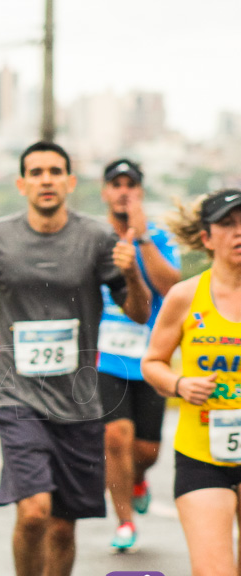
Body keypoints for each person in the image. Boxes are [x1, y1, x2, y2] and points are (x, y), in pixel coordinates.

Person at [0, 141, 150, 576]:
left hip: (80, 399)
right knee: (33, 510)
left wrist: (129, 273)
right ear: (21, 184)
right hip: (17, 393)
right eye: (35, 172)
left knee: (63, 526)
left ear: (69, 182)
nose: (45, 179)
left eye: (55, 171)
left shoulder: (97, 239)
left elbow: (141, 312)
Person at [141, 189, 241, 576]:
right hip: (204, 452)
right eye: (228, 223)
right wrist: (180, 384)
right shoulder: (186, 296)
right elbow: (153, 362)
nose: (239, 231)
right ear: (206, 236)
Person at [96, 159, 181, 551]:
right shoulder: (94, 238)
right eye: (116, 184)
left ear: (141, 192)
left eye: (131, 184)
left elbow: (171, 286)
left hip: (149, 357)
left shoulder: (160, 238)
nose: (124, 191)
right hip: (104, 357)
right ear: (105, 192)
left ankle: (137, 477)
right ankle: (125, 522)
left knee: (145, 450)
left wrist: (143, 238)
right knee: (117, 436)